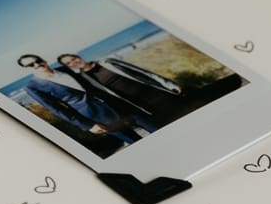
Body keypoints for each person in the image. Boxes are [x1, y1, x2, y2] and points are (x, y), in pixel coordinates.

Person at [15, 53, 157, 143]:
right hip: (97, 117)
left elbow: (90, 76)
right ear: (27, 69)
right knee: (136, 143)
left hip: (118, 105)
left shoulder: (65, 69)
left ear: (43, 59)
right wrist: (87, 126)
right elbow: (57, 110)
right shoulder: (32, 87)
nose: (36, 64)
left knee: (156, 129)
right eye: (30, 65)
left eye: (37, 60)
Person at [57, 51, 187, 128]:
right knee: (173, 121)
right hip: (141, 103)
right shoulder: (84, 79)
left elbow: (142, 72)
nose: (74, 62)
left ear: (78, 56)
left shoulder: (107, 61)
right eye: (69, 63)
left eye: (73, 58)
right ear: (68, 67)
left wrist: (169, 84)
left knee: (186, 111)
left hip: (156, 92)